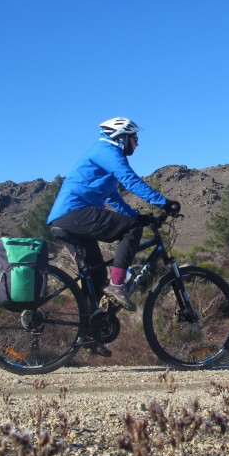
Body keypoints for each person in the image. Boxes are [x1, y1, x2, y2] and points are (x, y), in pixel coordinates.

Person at [47, 117, 180, 311]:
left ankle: (88, 332)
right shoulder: (108, 151)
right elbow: (130, 180)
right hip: (74, 212)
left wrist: (135, 215)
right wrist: (165, 203)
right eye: (135, 138)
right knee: (131, 229)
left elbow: (112, 196)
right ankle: (118, 284)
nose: (137, 143)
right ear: (122, 137)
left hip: (67, 220)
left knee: (96, 280)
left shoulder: (101, 154)